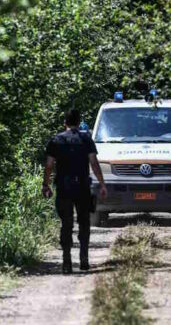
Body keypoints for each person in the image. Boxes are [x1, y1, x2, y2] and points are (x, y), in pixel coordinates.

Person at [42, 109, 108, 274]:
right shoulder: (86, 139)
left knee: (66, 223)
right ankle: (84, 259)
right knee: (84, 223)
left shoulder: (56, 140)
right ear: (79, 123)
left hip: (64, 187)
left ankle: (66, 261)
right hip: (82, 187)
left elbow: (49, 165)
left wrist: (46, 185)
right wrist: (102, 183)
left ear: (65, 122)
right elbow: (93, 162)